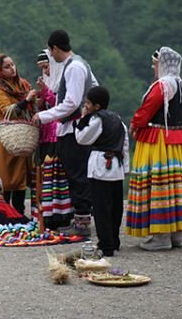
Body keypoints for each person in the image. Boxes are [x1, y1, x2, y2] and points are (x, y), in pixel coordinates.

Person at [125, 47, 182, 250]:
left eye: (155, 63)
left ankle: (161, 237)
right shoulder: (180, 85)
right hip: (176, 141)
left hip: (159, 142)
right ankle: (176, 234)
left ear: (162, 64)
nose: (153, 67)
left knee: (158, 184)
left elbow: (147, 108)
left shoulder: (163, 85)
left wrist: (135, 124)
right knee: (174, 185)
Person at [32, 30, 98, 237]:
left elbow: (71, 102)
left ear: (55, 48)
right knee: (75, 174)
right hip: (73, 126)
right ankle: (80, 218)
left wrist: (45, 116)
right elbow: (94, 88)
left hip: (74, 129)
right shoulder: (79, 63)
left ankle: (83, 222)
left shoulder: (74, 67)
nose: (52, 57)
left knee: (78, 175)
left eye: (51, 53)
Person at [75, 86, 129, 256]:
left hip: (100, 167)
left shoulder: (96, 119)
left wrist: (83, 118)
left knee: (101, 208)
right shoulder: (118, 119)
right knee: (115, 208)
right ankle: (114, 241)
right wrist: (126, 167)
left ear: (97, 106)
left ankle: (106, 246)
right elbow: (125, 144)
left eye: (88, 103)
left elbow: (82, 138)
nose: (86, 105)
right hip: (117, 168)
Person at [0, 53, 36, 215]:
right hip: (5, 138)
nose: (12, 68)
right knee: (6, 175)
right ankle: (4, 214)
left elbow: (34, 106)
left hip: (22, 136)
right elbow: (9, 111)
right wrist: (26, 101)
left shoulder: (23, 85)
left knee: (20, 175)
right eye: (7, 67)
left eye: (13, 64)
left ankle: (19, 213)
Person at [32, 51, 73, 230]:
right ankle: (46, 213)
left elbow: (60, 104)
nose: (45, 71)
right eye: (42, 69)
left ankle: (61, 213)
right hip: (45, 133)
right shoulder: (47, 81)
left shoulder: (62, 81)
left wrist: (46, 92)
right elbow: (44, 106)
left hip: (57, 132)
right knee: (45, 174)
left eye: (47, 67)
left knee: (58, 175)